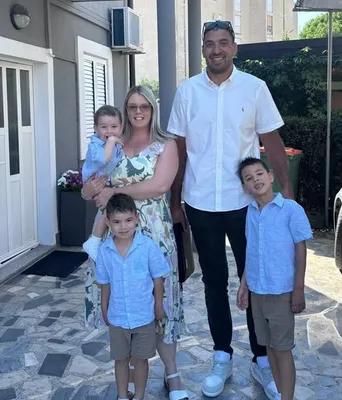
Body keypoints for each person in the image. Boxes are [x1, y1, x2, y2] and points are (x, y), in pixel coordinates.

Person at [168, 20, 292, 398]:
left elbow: (272, 141)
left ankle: (260, 359)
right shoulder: (187, 92)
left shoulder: (255, 88)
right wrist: (175, 201)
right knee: (214, 282)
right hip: (201, 202)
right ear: (203, 49)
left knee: (256, 280)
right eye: (210, 44)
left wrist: (285, 193)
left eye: (223, 43)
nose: (217, 50)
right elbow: (179, 152)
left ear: (235, 47)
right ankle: (222, 354)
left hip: (246, 204)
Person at [81, 86, 188, 400]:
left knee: (161, 300)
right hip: (114, 232)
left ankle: (172, 373)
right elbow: (87, 186)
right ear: (125, 110)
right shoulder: (110, 141)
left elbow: (160, 185)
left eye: (145, 106)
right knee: (123, 298)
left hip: (153, 231)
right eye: (132, 106)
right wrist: (91, 190)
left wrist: (113, 192)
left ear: (153, 109)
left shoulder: (166, 144)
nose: (138, 112)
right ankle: (128, 375)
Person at [236, 157, 312, 400]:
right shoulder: (250, 213)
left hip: (281, 291)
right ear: (245, 187)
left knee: (282, 349)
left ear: (270, 176)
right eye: (249, 178)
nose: (255, 180)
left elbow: (301, 250)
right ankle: (280, 394)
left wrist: (298, 289)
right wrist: (244, 285)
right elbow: (252, 251)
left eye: (259, 174)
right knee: (268, 347)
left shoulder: (291, 209)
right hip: (258, 292)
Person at [86, 193, 170, 400]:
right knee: (121, 360)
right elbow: (105, 283)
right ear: (108, 222)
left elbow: (158, 278)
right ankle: (123, 396)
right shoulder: (105, 251)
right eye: (116, 222)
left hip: (144, 315)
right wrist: (104, 308)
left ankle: (139, 396)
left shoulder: (148, 247)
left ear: (136, 218)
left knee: (141, 360)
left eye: (128, 220)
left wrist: (158, 305)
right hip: (118, 317)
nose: (123, 227)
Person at [82, 105, 124, 183]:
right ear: (96, 128)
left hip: (110, 183)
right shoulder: (94, 146)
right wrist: (111, 141)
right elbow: (103, 160)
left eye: (114, 126)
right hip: (95, 184)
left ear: (121, 128)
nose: (109, 131)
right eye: (104, 127)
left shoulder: (117, 143)